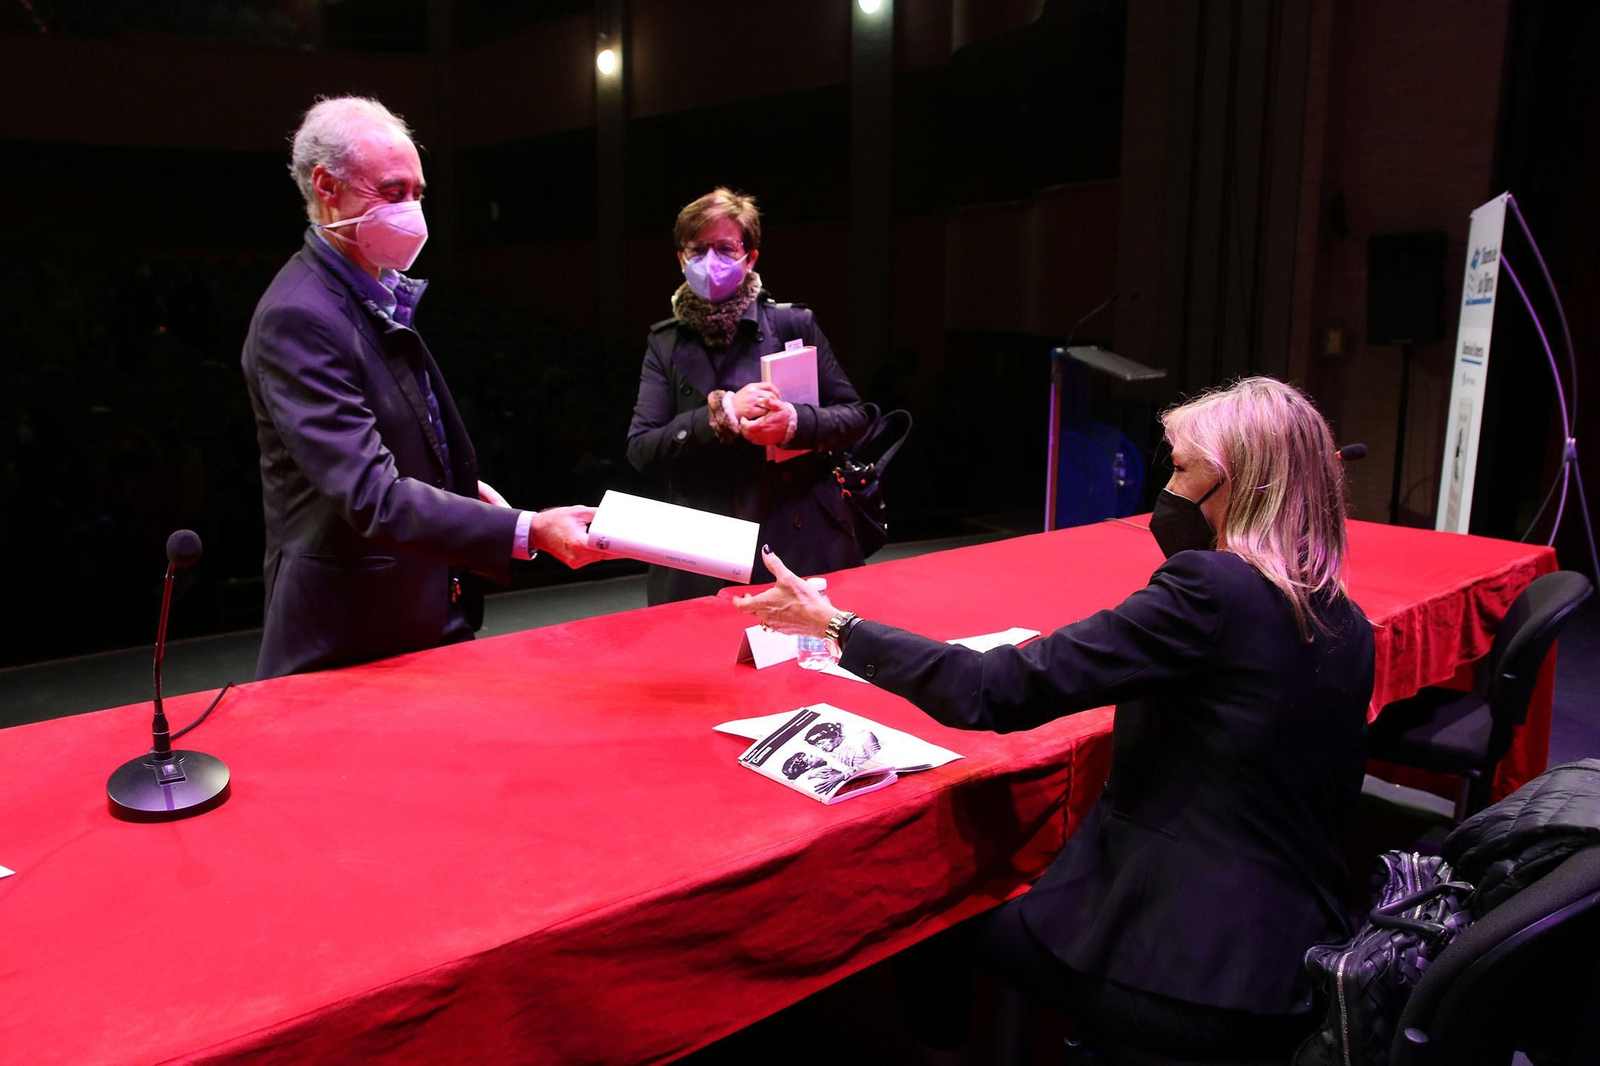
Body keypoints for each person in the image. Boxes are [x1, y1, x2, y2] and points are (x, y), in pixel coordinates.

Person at [734, 376, 1376, 1059]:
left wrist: (836, 625)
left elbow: (993, 689)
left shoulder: (1211, 590)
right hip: (1297, 959)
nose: (1169, 489)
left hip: (1190, 970)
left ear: (1236, 484)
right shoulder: (1347, 618)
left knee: (923, 916)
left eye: (1182, 470)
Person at [242, 96, 602, 679]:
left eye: (417, 192)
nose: (411, 210)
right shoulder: (299, 315)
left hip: (423, 608)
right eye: (392, 192)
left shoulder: (375, 289)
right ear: (327, 186)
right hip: (349, 634)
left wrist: (454, 484)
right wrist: (528, 528)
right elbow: (371, 494)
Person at [626, 188, 870, 605]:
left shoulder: (792, 324)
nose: (710, 262)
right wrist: (721, 414)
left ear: (750, 257)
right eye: (697, 250)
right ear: (681, 258)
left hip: (797, 536)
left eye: (725, 248)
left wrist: (794, 422)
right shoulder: (665, 343)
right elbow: (641, 449)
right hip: (703, 548)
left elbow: (855, 416)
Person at [805, 721, 882, 769]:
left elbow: (878, 763)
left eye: (821, 743)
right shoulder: (834, 754)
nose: (820, 748)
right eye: (816, 746)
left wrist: (844, 775)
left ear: (835, 734)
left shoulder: (862, 737)